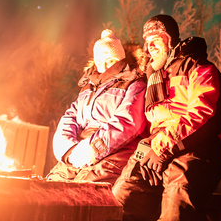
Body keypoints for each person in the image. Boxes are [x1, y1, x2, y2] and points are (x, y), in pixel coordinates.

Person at [112, 14, 221, 221]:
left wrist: (162, 149)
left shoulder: (199, 68)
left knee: (177, 195)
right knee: (124, 193)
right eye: (147, 43)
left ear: (170, 40)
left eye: (155, 41)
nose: (149, 48)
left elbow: (204, 115)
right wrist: (150, 147)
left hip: (199, 148)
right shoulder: (155, 79)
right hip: (159, 148)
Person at [48, 29, 147, 184]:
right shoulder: (89, 86)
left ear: (120, 60)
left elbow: (127, 122)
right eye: (99, 62)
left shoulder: (133, 83)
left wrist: (91, 150)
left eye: (110, 61)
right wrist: (68, 149)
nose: (104, 67)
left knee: (81, 192)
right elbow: (70, 117)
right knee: (50, 187)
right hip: (77, 150)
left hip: (112, 154)